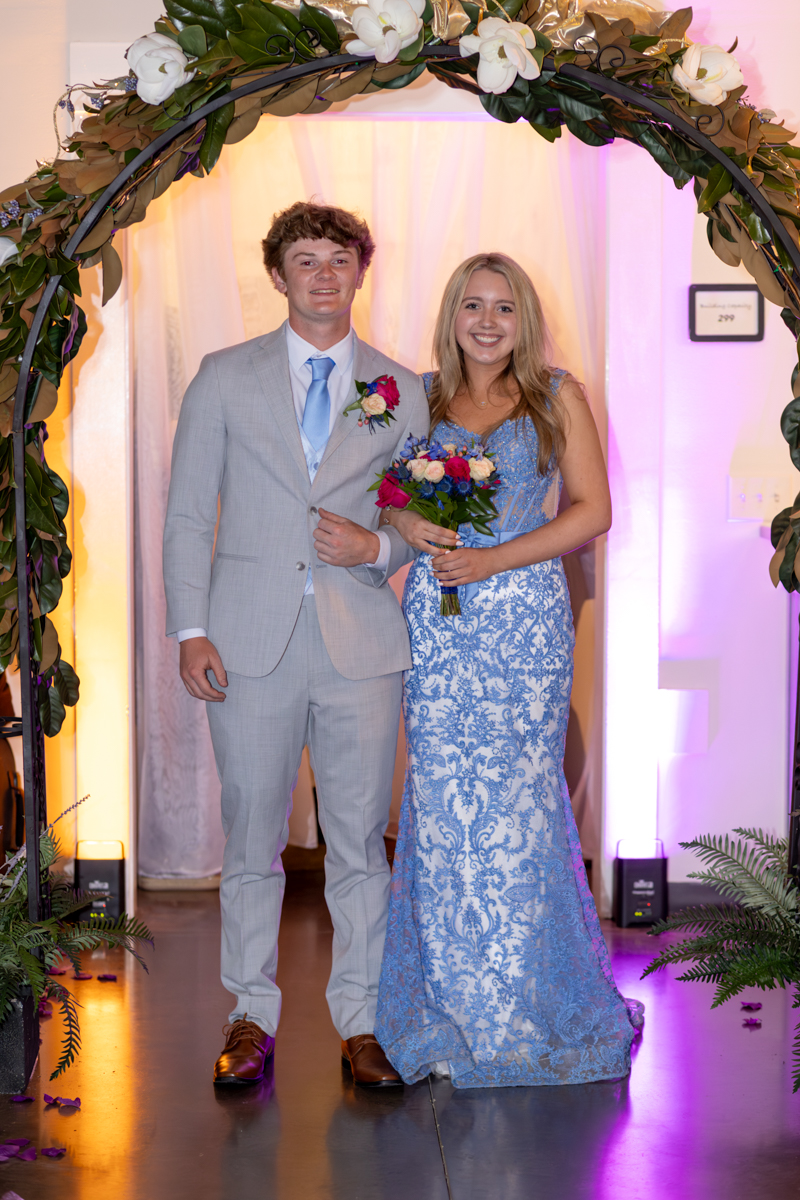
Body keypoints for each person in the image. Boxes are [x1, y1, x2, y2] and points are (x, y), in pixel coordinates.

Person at [163, 201, 429, 1087]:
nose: (323, 274)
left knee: (360, 842)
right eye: (304, 259)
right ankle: (249, 1017)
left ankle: (363, 1022)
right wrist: (191, 630)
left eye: (339, 259)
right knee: (251, 841)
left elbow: (416, 515)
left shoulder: (401, 386)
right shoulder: (223, 376)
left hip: (361, 642)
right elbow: (190, 512)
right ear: (277, 275)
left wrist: (379, 548)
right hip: (245, 642)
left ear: (362, 270)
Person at [375, 253, 642, 1087]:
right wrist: (417, 527)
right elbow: (377, 491)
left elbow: (593, 511)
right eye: (472, 306)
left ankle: (526, 1000)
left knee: (522, 799)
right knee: (445, 801)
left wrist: (493, 562)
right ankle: (451, 1002)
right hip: (441, 623)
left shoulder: (559, 393)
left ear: (525, 318)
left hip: (525, 621)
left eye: (504, 308)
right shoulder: (413, 397)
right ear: (451, 314)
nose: (487, 322)